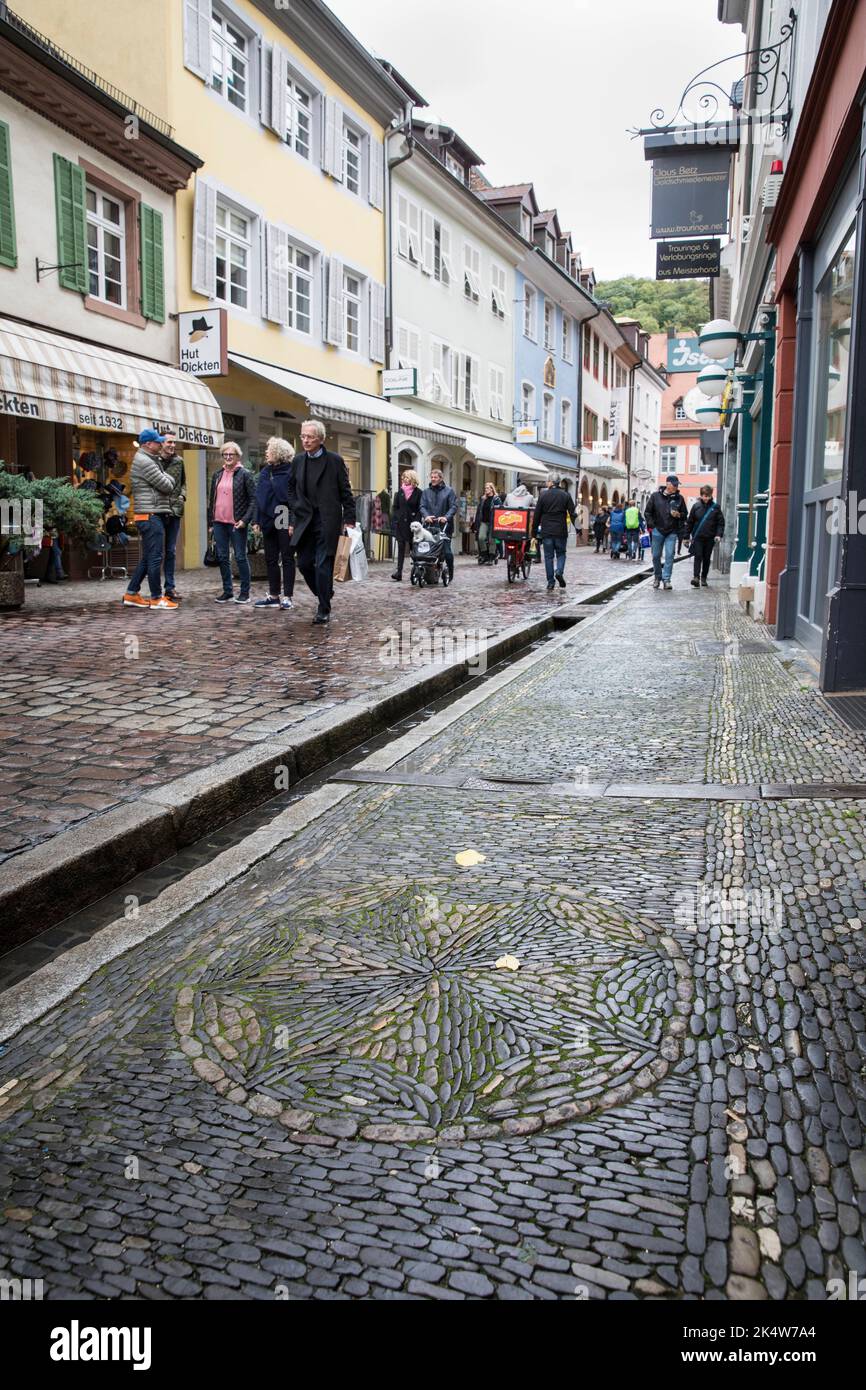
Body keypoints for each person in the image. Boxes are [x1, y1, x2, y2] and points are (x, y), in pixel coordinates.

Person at [291, 420, 356, 625]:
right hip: (305, 519)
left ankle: (323, 608)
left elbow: (346, 492)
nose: (305, 440)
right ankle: (324, 593)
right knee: (303, 564)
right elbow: (290, 489)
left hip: (326, 520)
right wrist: (294, 511)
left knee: (322, 564)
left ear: (320, 438)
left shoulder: (335, 461)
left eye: (310, 437)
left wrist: (349, 519)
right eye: (303, 436)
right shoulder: (298, 461)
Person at [123, 429, 177, 610]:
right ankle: (156, 598)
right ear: (147, 444)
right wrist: (168, 476)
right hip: (151, 514)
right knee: (155, 558)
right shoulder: (146, 462)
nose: (160, 444)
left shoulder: (149, 460)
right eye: (157, 442)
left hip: (148, 514)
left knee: (147, 558)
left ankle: (131, 593)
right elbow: (168, 485)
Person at [208, 441, 256, 605]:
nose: (228, 457)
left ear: (237, 456)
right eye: (225, 454)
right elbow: (212, 500)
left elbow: (253, 500)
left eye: (231, 454)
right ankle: (228, 591)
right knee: (222, 557)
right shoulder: (217, 474)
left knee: (240, 557)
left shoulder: (245, 474)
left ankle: (244, 592)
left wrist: (245, 520)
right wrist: (210, 522)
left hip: (236, 523)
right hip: (219, 522)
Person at [253, 436, 296, 609]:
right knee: (270, 558)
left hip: (282, 513)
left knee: (286, 557)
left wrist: (292, 522)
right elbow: (258, 496)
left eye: (269, 449)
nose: (266, 452)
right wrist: (256, 519)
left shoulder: (291, 472)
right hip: (268, 516)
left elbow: (294, 499)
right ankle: (273, 595)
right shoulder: (265, 471)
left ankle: (288, 597)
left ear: (278, 452)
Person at [645, 474, 688, 590]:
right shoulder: (655, 496)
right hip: (657, 530)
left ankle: (667, 580)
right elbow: (647, 512)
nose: (675, 487)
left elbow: (685, 514)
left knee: (669, 556)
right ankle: (657, 577)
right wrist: (652, 526)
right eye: (674, 484)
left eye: (676, 485)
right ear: (668, 484)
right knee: (655, 556)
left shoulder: (680, 498)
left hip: (672, 532)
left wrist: (678, 514)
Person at [533, 477, 576, 591]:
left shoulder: (543, 495)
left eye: (547, 481)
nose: (547, 483)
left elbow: (537, 515)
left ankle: (550, 582)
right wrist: (579, 528)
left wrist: (533, 532)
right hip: (560, 530)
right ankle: (559, 571)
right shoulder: (565, 495)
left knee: (548, 557)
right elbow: (572, 513)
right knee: (561, 554)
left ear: (551, 483)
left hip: (547, 530)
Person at [420, 468, 458, 581]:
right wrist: (426, 516)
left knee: (446, 552)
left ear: (441, 478)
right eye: (431, 477)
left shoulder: (449, 491)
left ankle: (450, 571)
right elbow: (422, 506)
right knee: (429, 551)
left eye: (435, 477)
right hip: (430, 527)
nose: (433, 479)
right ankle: (430, 573)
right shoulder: (426, 492)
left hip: (444, 527)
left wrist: (446, 517)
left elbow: (454, 506)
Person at [160, 432, 185, 602]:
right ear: (161, 443)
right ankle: (154, 589)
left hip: (175, 511)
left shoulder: (179, 461)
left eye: (174, 442)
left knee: (170, 551)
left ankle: (170, 587)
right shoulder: (154, 461)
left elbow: (184, 482)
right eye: (169, 442)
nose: (172, 445)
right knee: (155, 552)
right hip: (158, 510)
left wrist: (183, 496)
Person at [686, 485, 725, 588]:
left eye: (707, 496)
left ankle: (703, 578)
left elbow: (720, 523)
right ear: (701, 495)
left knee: (706, 558)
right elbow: (690, 522)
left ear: (711, 495)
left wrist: (718, 534)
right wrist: (686, 536)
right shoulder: (696, 506)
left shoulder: (716, 507)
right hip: (698, 537)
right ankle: (696, 577)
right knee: (698, 556)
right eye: (704, 495)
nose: (705, 498)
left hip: (710, 537)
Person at [390, 469, 422, 581]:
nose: (404, 479)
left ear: (412, 479)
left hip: (413, 525)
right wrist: (396, 517)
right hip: (401, 524)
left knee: (414, 548)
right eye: (403, 477)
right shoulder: (400, 492)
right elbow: (395, 507)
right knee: (401, 547)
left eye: (406, 477)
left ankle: (417, 570)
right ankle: (399, 572)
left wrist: (417, 521)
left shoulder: (418, 492)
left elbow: (420, 508)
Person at [473, 481, 501, 565]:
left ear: (492, 489)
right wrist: (476, 523)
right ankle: (484, 555)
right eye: (485, 488)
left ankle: (492, 557)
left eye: (488, 488)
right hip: (484, 522)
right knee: (481, 538)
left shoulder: (496, 499)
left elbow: (500, 511)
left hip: (493, 522)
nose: (486, 489)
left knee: (491, 540)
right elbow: (478, 511)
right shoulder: (483, 499)